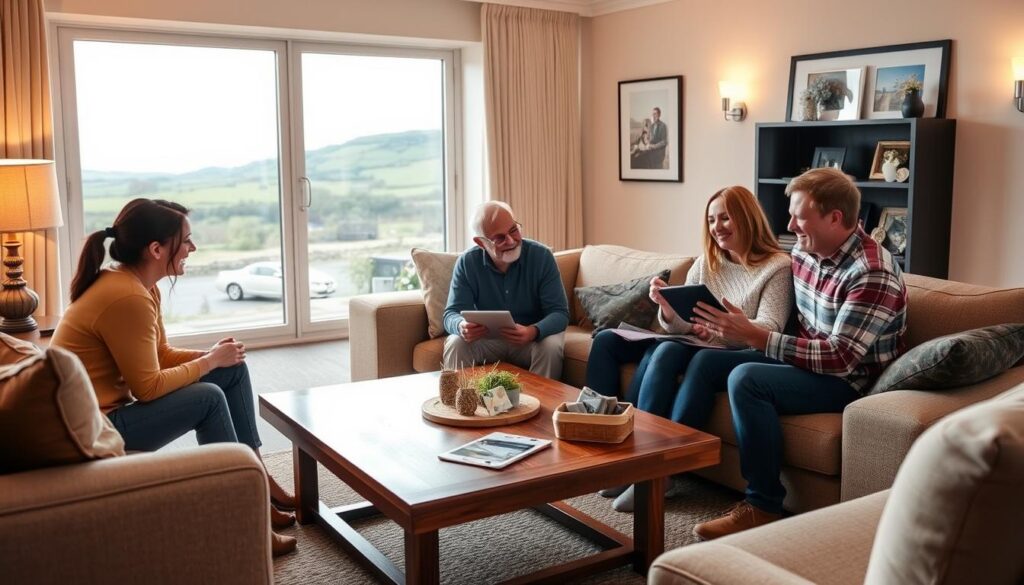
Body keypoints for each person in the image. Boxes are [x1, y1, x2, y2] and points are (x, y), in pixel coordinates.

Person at [51, 198, 298, 557]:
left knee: (230, 368)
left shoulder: (139, 285)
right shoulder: (126, 296)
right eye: (185, 240)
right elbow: (148, 388)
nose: (192, 248)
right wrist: (209, 362)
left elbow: (161, 355)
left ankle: (259, 481)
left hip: (105, 417)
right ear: (156, 249)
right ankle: (248, 519)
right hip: (93, 431)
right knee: (208, 398)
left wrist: (214, 358)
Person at [684, 168, 907, 540]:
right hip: (804, 360)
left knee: (746, 379)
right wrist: (740, 329)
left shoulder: (871, 272)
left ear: (834, 218)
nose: (790, 224)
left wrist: (757, 337)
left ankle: (762, 505)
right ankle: (671, 463)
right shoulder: (804, 252)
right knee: (705, 361)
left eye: (799, 216)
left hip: (849, 381)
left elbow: (840, 358)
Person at [585, 186, 793, 512]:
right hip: (699, 343)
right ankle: (627, 457)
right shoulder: (706, 263)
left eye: (725, 217)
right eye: (711, 219)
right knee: (634, 344)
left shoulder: (777, 266)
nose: (717, 227)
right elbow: (683, 326)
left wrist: (723, 329)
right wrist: (668, 310)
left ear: (747, 218)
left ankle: (658, 469)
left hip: (744, 350)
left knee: (680, 355)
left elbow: (771, 328)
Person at [442, 201, 569, 379]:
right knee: (456, 342)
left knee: (551, 346)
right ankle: (461, 402)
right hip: (488, 341)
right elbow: (450, 314)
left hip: (531, 340)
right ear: (481, 243)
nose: (511, 241)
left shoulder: (541, 257)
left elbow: (560, 313)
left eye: (513, 230)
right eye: (499, 238)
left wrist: (533, 331)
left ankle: (540, 405)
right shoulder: (467, 263)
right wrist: (461, 326)